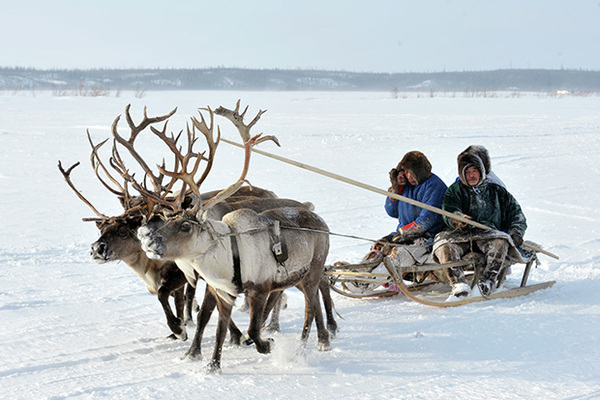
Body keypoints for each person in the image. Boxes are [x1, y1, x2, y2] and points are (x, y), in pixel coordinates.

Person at [432, 147, 527, 298]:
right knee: (443, 245)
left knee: (500, 242)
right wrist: (456, 219)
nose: (471, 175)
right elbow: (449, 209)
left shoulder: (497, 191)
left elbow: (516, 213)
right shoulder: (454, 190)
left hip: (487, 233)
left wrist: (516, 230)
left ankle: (487, 281)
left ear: (482, 171)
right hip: (459, 234)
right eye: (467, 172)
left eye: (474, 171)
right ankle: (458, 284)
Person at [379, 150, 448, 247]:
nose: (409, 176)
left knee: (397, 256)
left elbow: (429, 217)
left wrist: (407, 231)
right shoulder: (405, 184)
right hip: (402, 233)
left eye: (412, 173)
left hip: (427, 236)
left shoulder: (434, 185)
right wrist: (397, 190)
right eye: (406, 172)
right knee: (378, 248)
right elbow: (392, 212)